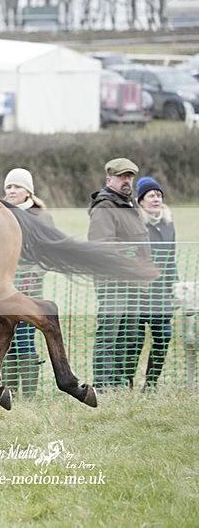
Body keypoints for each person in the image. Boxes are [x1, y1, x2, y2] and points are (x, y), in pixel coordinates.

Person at [88, 158, 151, 390]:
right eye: (122, 177)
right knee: (109, 334)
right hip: (113, 282)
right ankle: (103, 385)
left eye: (130, 177)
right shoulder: (104, 206)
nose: (127, 181)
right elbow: (102, 244)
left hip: (134, 281)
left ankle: (121, 383)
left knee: (129, 336)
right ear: (109, 179)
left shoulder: (130, 203)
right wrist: (132, 257)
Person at [1, 168, 55, 398]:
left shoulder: (40, 215)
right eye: (9, 187)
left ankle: (29, 395)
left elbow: (49, 250)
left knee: (24, 337)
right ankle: (10, 391)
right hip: (5, 286)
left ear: (28, 191)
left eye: (17, 187)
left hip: (30, 285)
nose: (12, 191)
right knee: (7, 336)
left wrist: (35, 272)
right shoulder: (1, 212)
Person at [132, 177, 177, 390]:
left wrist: (174, 288)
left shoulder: (168, 225)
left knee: (163, 338)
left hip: (161, 294)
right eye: (151, 195)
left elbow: (172, 260)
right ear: (141, 201)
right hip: (141, 293)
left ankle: (151, 384)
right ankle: (128, 381)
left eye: (159, 195)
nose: (156, 199)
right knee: (135, 340)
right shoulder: (136, 225)